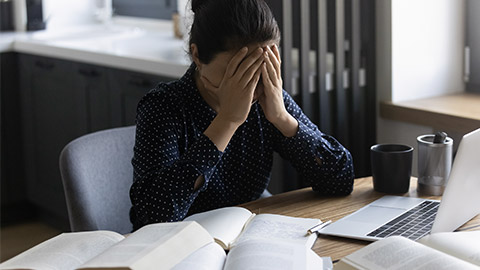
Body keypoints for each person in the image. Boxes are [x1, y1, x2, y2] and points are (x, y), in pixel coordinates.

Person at [129, 0, 354, 231]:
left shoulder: (267, 99)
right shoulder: (163, 106)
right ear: (197, 56)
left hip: (245, 240)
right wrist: (227, 121)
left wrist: (282, 118)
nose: (249, 86)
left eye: (260, 69)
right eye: (237, 71)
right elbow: (153, 217)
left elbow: (341, 180)